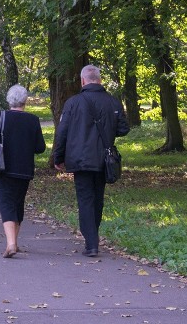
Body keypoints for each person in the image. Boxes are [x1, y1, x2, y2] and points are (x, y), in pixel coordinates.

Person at [51, 65, 129, 257]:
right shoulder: (113, 102)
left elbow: (62, 132)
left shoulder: (73, 103)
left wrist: (58, 157)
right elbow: (123, 129)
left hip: (80, 159)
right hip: (104, 159)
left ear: (83, 81)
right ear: (99, 80)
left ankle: (91, 243)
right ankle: (93, 238)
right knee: (98, 198)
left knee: (85, 199)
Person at [0, 84, 46, 258]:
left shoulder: (2, 116)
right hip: (25, 170)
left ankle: (11, 244)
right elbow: (40, 148)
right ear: (25, 101)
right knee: (18, 204)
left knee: (6, 204)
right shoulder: (33, 120)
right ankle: (15, 243)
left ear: (9, 100)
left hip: (4, 168)